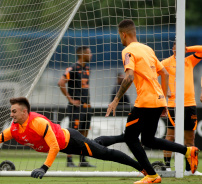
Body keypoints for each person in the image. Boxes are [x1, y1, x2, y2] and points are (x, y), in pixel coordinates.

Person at [0, 97, 146, 179]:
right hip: (66, 144)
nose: (11, 114)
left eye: (14, 111)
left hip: (71, 140)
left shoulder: (38, 123)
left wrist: (44, 168)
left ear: (25, 112)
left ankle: (143, 169)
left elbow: (53, 146)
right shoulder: (15, 128)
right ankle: (122, 136)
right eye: (11, 111)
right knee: (99, 144)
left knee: (106, 154)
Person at [106, 19, 199, 184]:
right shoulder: (147, 49)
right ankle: (187, 150)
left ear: (123, 34)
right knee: (148, 140)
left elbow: (129, 77)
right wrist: (163, 99)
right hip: (158, 101)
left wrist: (115, 100)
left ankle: (152, 175)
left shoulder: (128, 51)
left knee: (130, 137)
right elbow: (164, 73)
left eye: (119, 35)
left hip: (145, 102)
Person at [161, 41, 202, 175]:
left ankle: (189, 170)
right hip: (173, 105)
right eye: (176, 47)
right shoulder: (166, 62)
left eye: (181, 47)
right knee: (170, 136)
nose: (177, 49)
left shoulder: (189, 60)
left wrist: (188, 49)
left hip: (190, 104)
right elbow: (153, 74)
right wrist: (163, 90)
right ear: (172, 49)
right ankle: (167, 167)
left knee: (190, 139)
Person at [58, 46, 94, 167]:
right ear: (82, 54)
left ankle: (83, 159)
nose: (91, 55)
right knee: (73, 133)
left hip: (87, 106)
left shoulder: (87, 67)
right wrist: (70, 99)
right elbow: (61, 82)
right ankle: (69, 160)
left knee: (84, 133)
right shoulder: (73, 68)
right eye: (89, 53)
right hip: (76, 107)